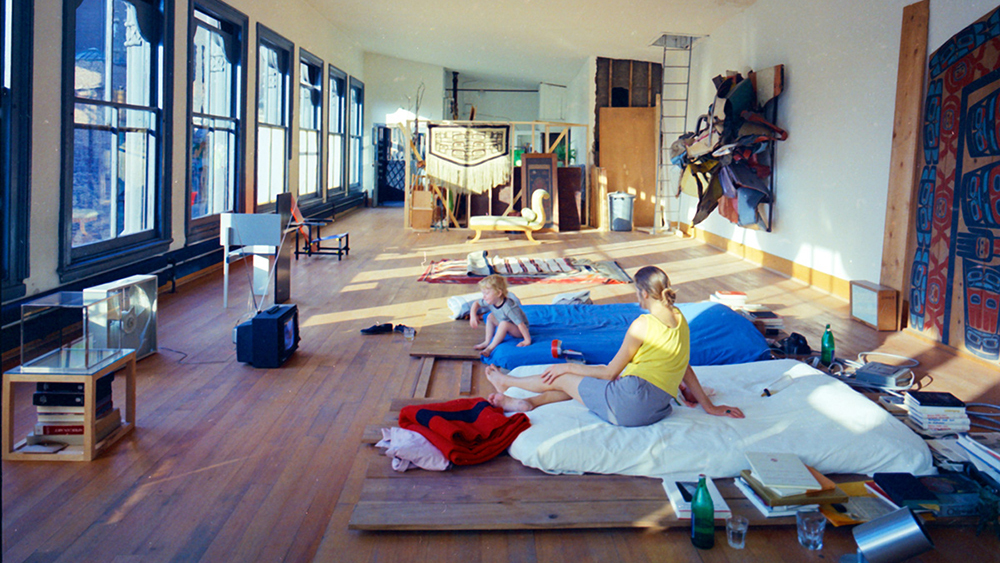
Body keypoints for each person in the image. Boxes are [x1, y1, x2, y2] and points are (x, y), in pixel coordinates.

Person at [486, 265, 745, 426]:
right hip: (655, 409)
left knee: (564, 375)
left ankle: (507, 382)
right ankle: (530, 403)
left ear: (643, 293)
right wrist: (709, 407)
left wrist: (567, 367)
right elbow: (683, 365)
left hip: (628, 405)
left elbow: (610, 373)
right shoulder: (681, 319)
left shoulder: (642, 324)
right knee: (584, 384)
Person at [470, 274, 532, 357]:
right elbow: (476, 303)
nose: (484, 297)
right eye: (483, 293)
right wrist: (473, 316)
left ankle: (490, 348)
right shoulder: (492, 300)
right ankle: (487, 342)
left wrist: (527, 340)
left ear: (499, 293)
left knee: (504, 324)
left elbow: (521, 324)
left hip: (519, 330)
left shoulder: (509, 307)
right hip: (504, 322)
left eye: (487, 293)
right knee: (490, 316)